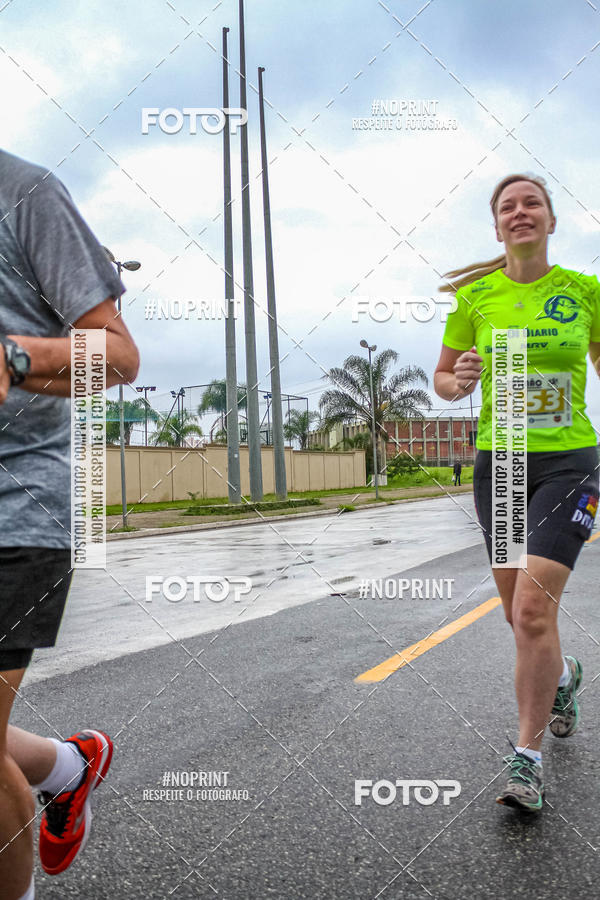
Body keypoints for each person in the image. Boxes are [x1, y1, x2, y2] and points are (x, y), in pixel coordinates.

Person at [434, 173, 600, 812]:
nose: (520, 211)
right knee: (516, 614)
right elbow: (444, 379)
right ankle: (562, 677)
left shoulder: (584, 293)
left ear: (552, 220)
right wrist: (460, 379)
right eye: (508, 206)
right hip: (500, 467)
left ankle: (526, 761)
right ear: (498, 226)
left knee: (532, 609)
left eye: (533, 203)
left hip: (569, 464)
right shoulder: (476, 299)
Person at [0, 148, 139, 898]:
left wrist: (15, 357)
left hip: (17, 512)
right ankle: (66, 766)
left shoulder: (27, 194)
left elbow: (117, 357)